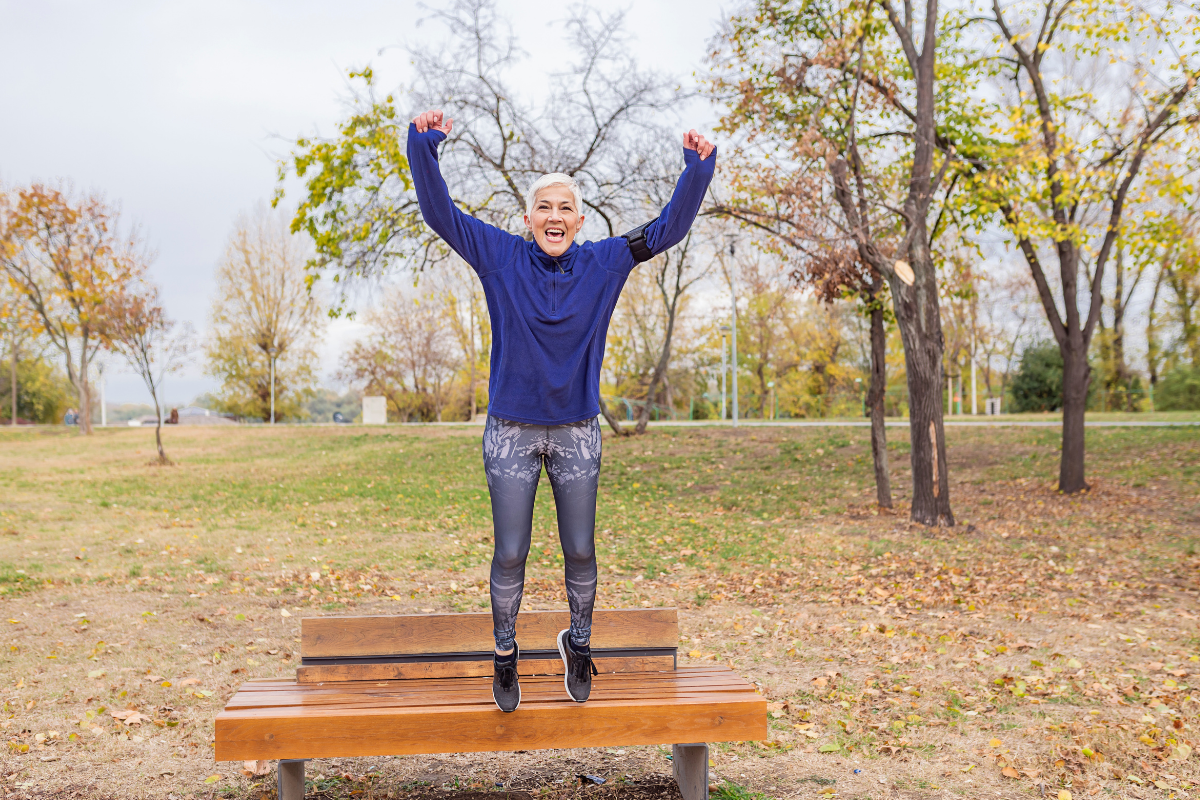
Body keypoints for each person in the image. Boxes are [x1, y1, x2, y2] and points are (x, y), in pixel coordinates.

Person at [408, 109, 716, 712]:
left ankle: (577, 643)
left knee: (580, 549)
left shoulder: (605, 261)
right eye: (543, 207)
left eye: (565, 208)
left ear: (579, 220)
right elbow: (439, 214)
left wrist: (697, 169)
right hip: (511, 432)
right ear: (529, 220)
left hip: (576, 430)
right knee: (511, 552)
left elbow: (666, 229)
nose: (554, 216)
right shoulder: (500, 255)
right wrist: (424, 147)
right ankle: (504, 655)